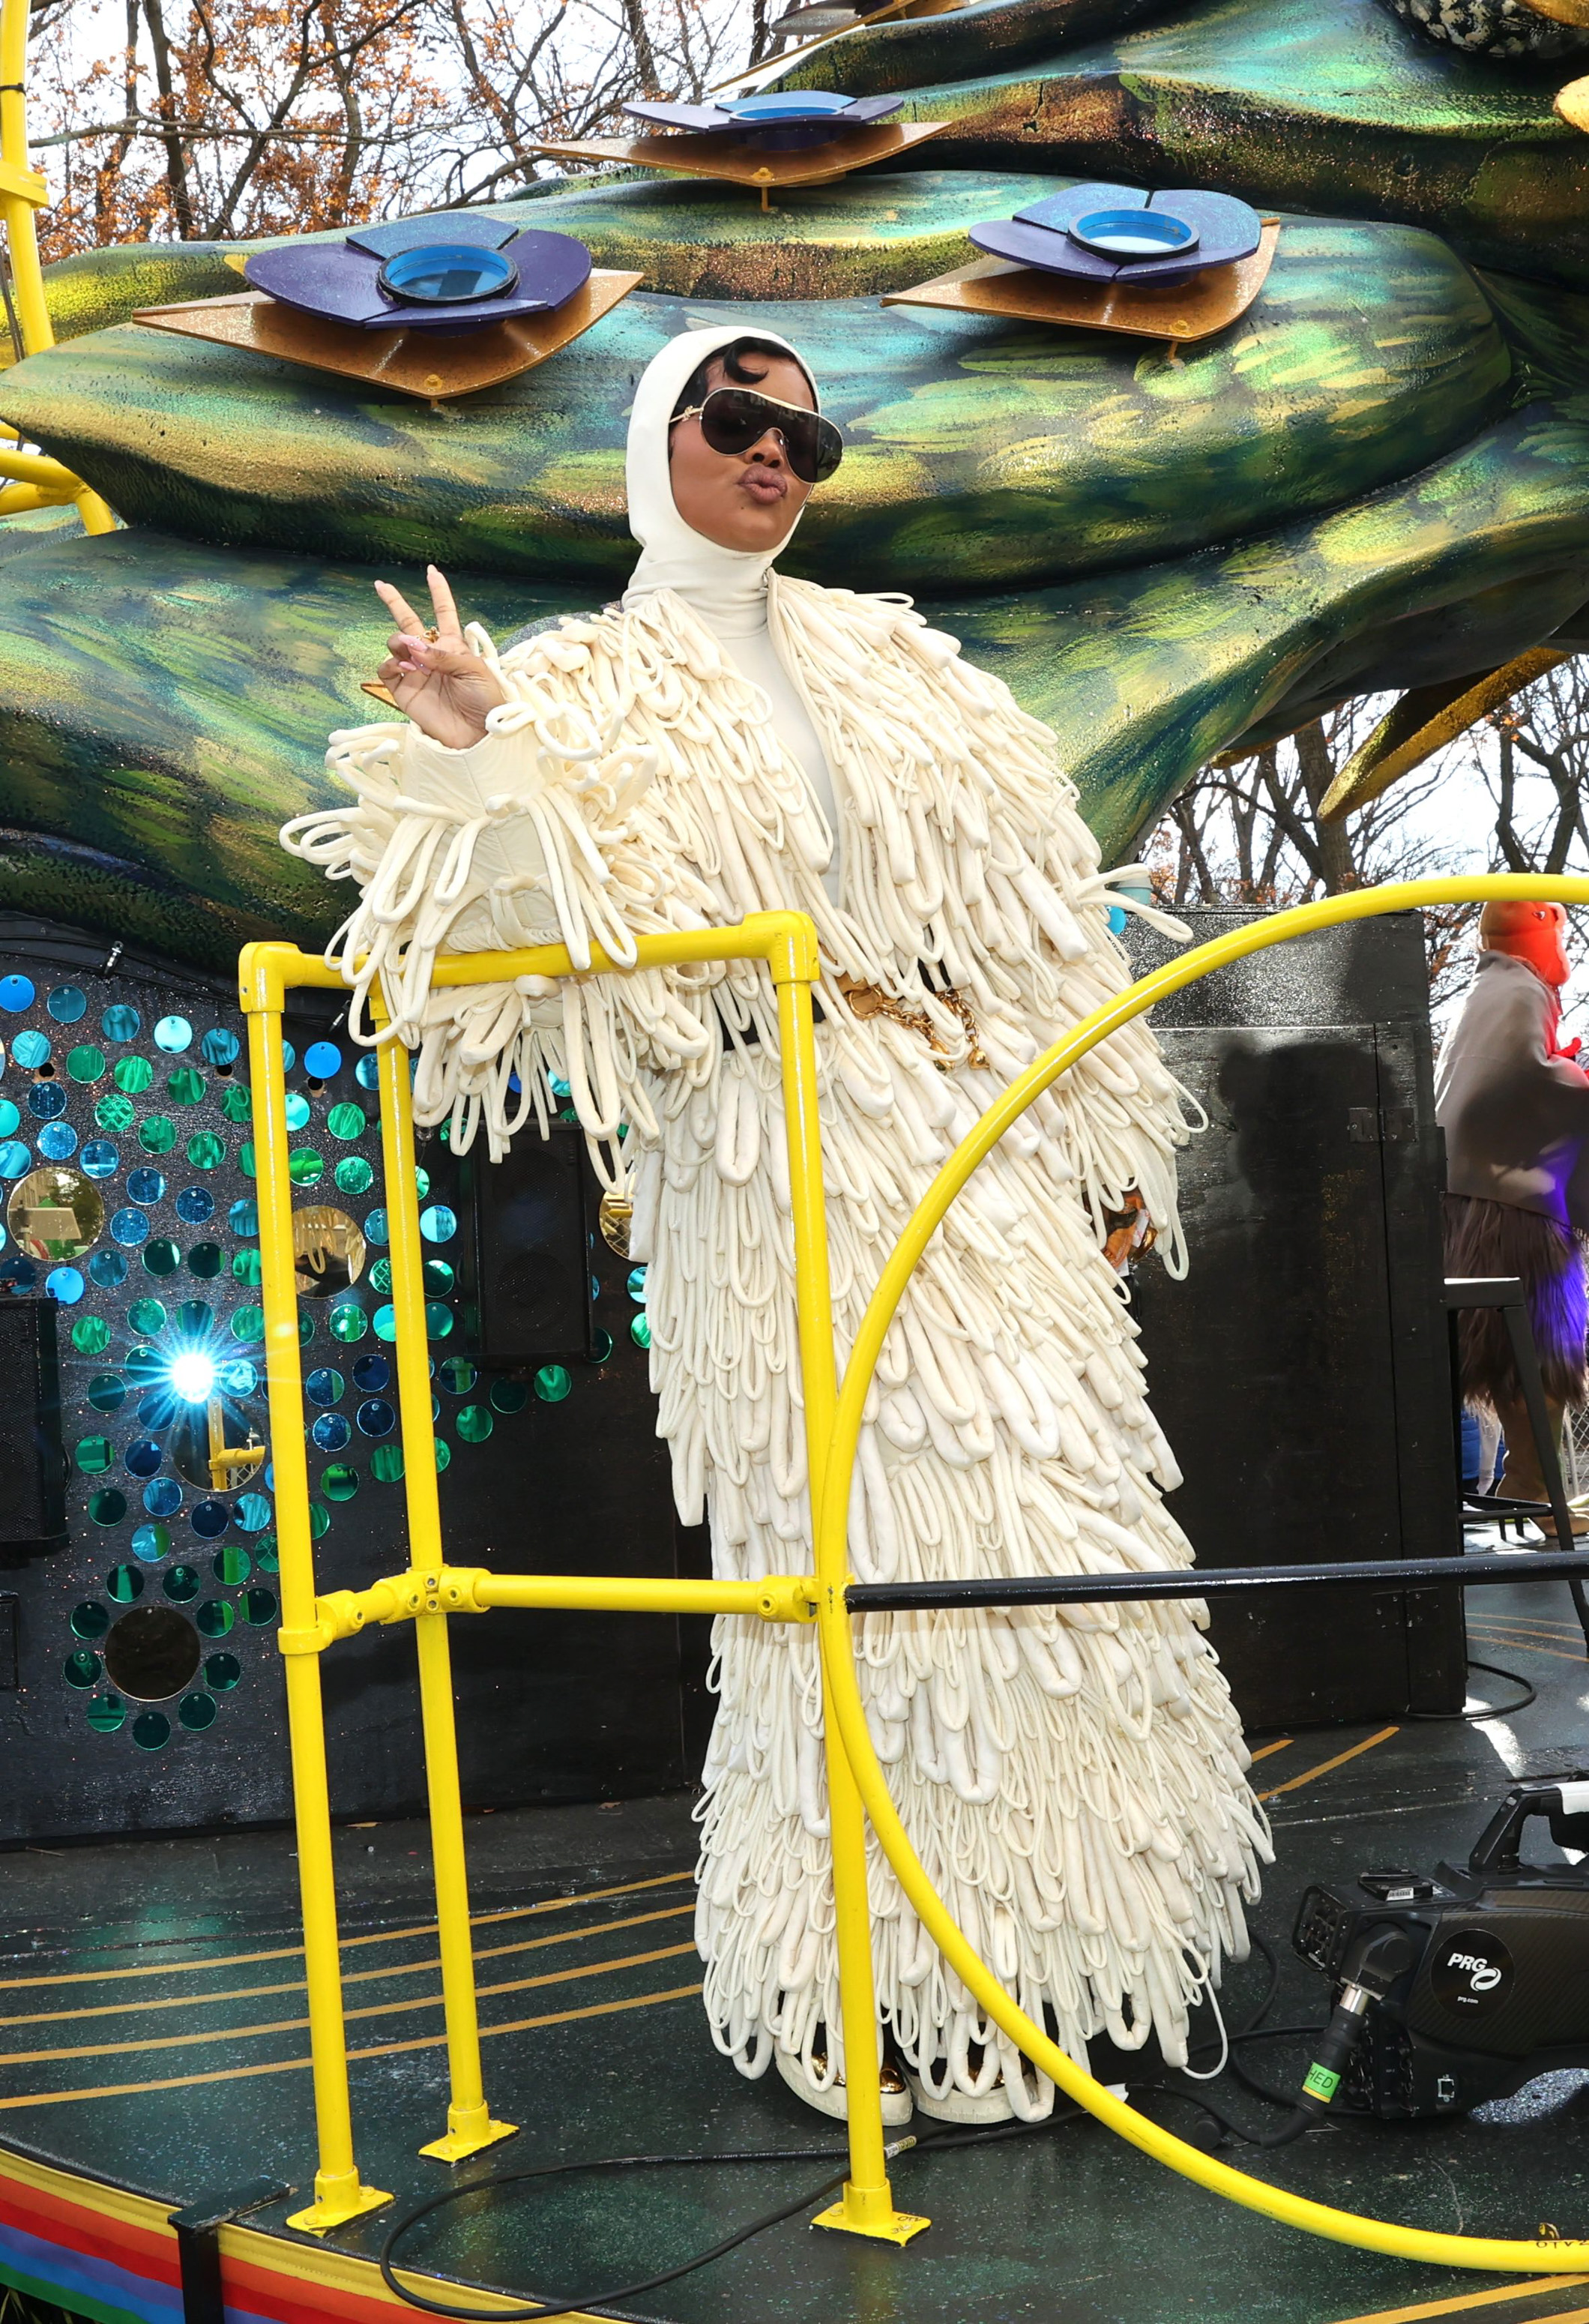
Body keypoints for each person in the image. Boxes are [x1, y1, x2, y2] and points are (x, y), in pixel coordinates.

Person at [284, 324, 1270, 2126]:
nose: (773, 452)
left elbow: (1034, 918)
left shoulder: (903, 666)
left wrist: (1101, 1135)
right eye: (734, 419)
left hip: (965, 1154)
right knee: (853, 1540)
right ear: (657, 437)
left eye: (802, 432)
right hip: (767, 1148)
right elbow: (528, 952)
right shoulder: (579, 681)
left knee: (1050, 1512)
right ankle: (878, 1980)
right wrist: (480, 748)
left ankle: (1089, 1952)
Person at [1438, 898, 1589, 1515]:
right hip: (1513, 1211)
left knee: (1506, 1353)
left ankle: (1526, 1483)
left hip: (1472, 1204)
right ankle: (1537, 1490)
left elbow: (1504, 1081)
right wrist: (1575, 1080)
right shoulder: (1520, 990)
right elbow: (1523, 1085)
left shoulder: (1488, 992)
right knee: (1541, 1353)